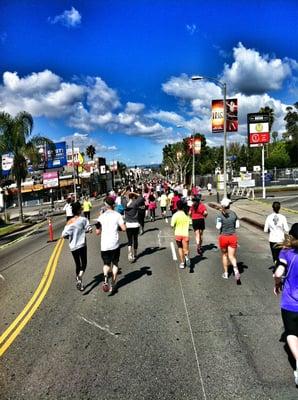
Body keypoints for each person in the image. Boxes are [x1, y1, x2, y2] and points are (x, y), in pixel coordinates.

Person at [273, 223, 298, 386]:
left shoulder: (287, 252)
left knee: (291, 332)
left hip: (291, 302)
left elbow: (279, 272)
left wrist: (277, 283)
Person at [95, 196, 126, 293]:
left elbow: (97, 232)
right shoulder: (117, 215)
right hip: (114, 244)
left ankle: (105, 278)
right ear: (113, 205)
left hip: (104, 245)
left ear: (105, 205)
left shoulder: (101, 217)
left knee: (106, 264)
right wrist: (117, 228)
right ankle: (113, 283)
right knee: (115, 263)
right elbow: (124, 228)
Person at [61, 201, 92, 291]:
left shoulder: (69, 222)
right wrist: (89, 230)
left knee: (77, 264)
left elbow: (64, 235)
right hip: (81, 245)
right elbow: (89, 228)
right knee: (84, 263)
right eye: (81, 208)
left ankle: (79, 282)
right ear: (79, 210)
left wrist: (69, 235)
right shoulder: (83, 219)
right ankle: (79, 277)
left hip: (73, 247)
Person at [216, 198, 241, 283]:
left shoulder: (220, 215)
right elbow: (237, 226)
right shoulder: (234, 214)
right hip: (232, 237)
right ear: (229, 205)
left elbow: (218, 227)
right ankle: (235, 269)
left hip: (223, 237)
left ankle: (226, 273)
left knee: (224, 255)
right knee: (231, 256)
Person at [264, 201, 289, 267]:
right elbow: (287, 229)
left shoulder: (269, 217)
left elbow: (265, 230)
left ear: (272, 208)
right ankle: (281, 267)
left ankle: (276, 266)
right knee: (281, 254)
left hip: (272, 239)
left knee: (275, 255)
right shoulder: (283, 217)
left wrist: (271, 230)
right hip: (281, 239)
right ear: (279, 208)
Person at [124, 191, 144, 262]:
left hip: (128, 224)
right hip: (135, 224)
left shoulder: (125, 204)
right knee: (135, 239)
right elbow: (141, 197)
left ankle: (130, 254)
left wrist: (126, 193)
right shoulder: (135, 203)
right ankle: (135, 254)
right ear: (133, 197)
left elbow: (120, 197)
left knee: (129, 240)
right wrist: (134, 192)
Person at [171, 200, 191, 269]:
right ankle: (186, 256)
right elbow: (190, 223)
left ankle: (182, 263)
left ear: (177, 206)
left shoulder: (175, 215)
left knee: (180, 248)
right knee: (186, 249)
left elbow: (172, 225)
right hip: (185, 233)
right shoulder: (186, 214)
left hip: (178, 233)